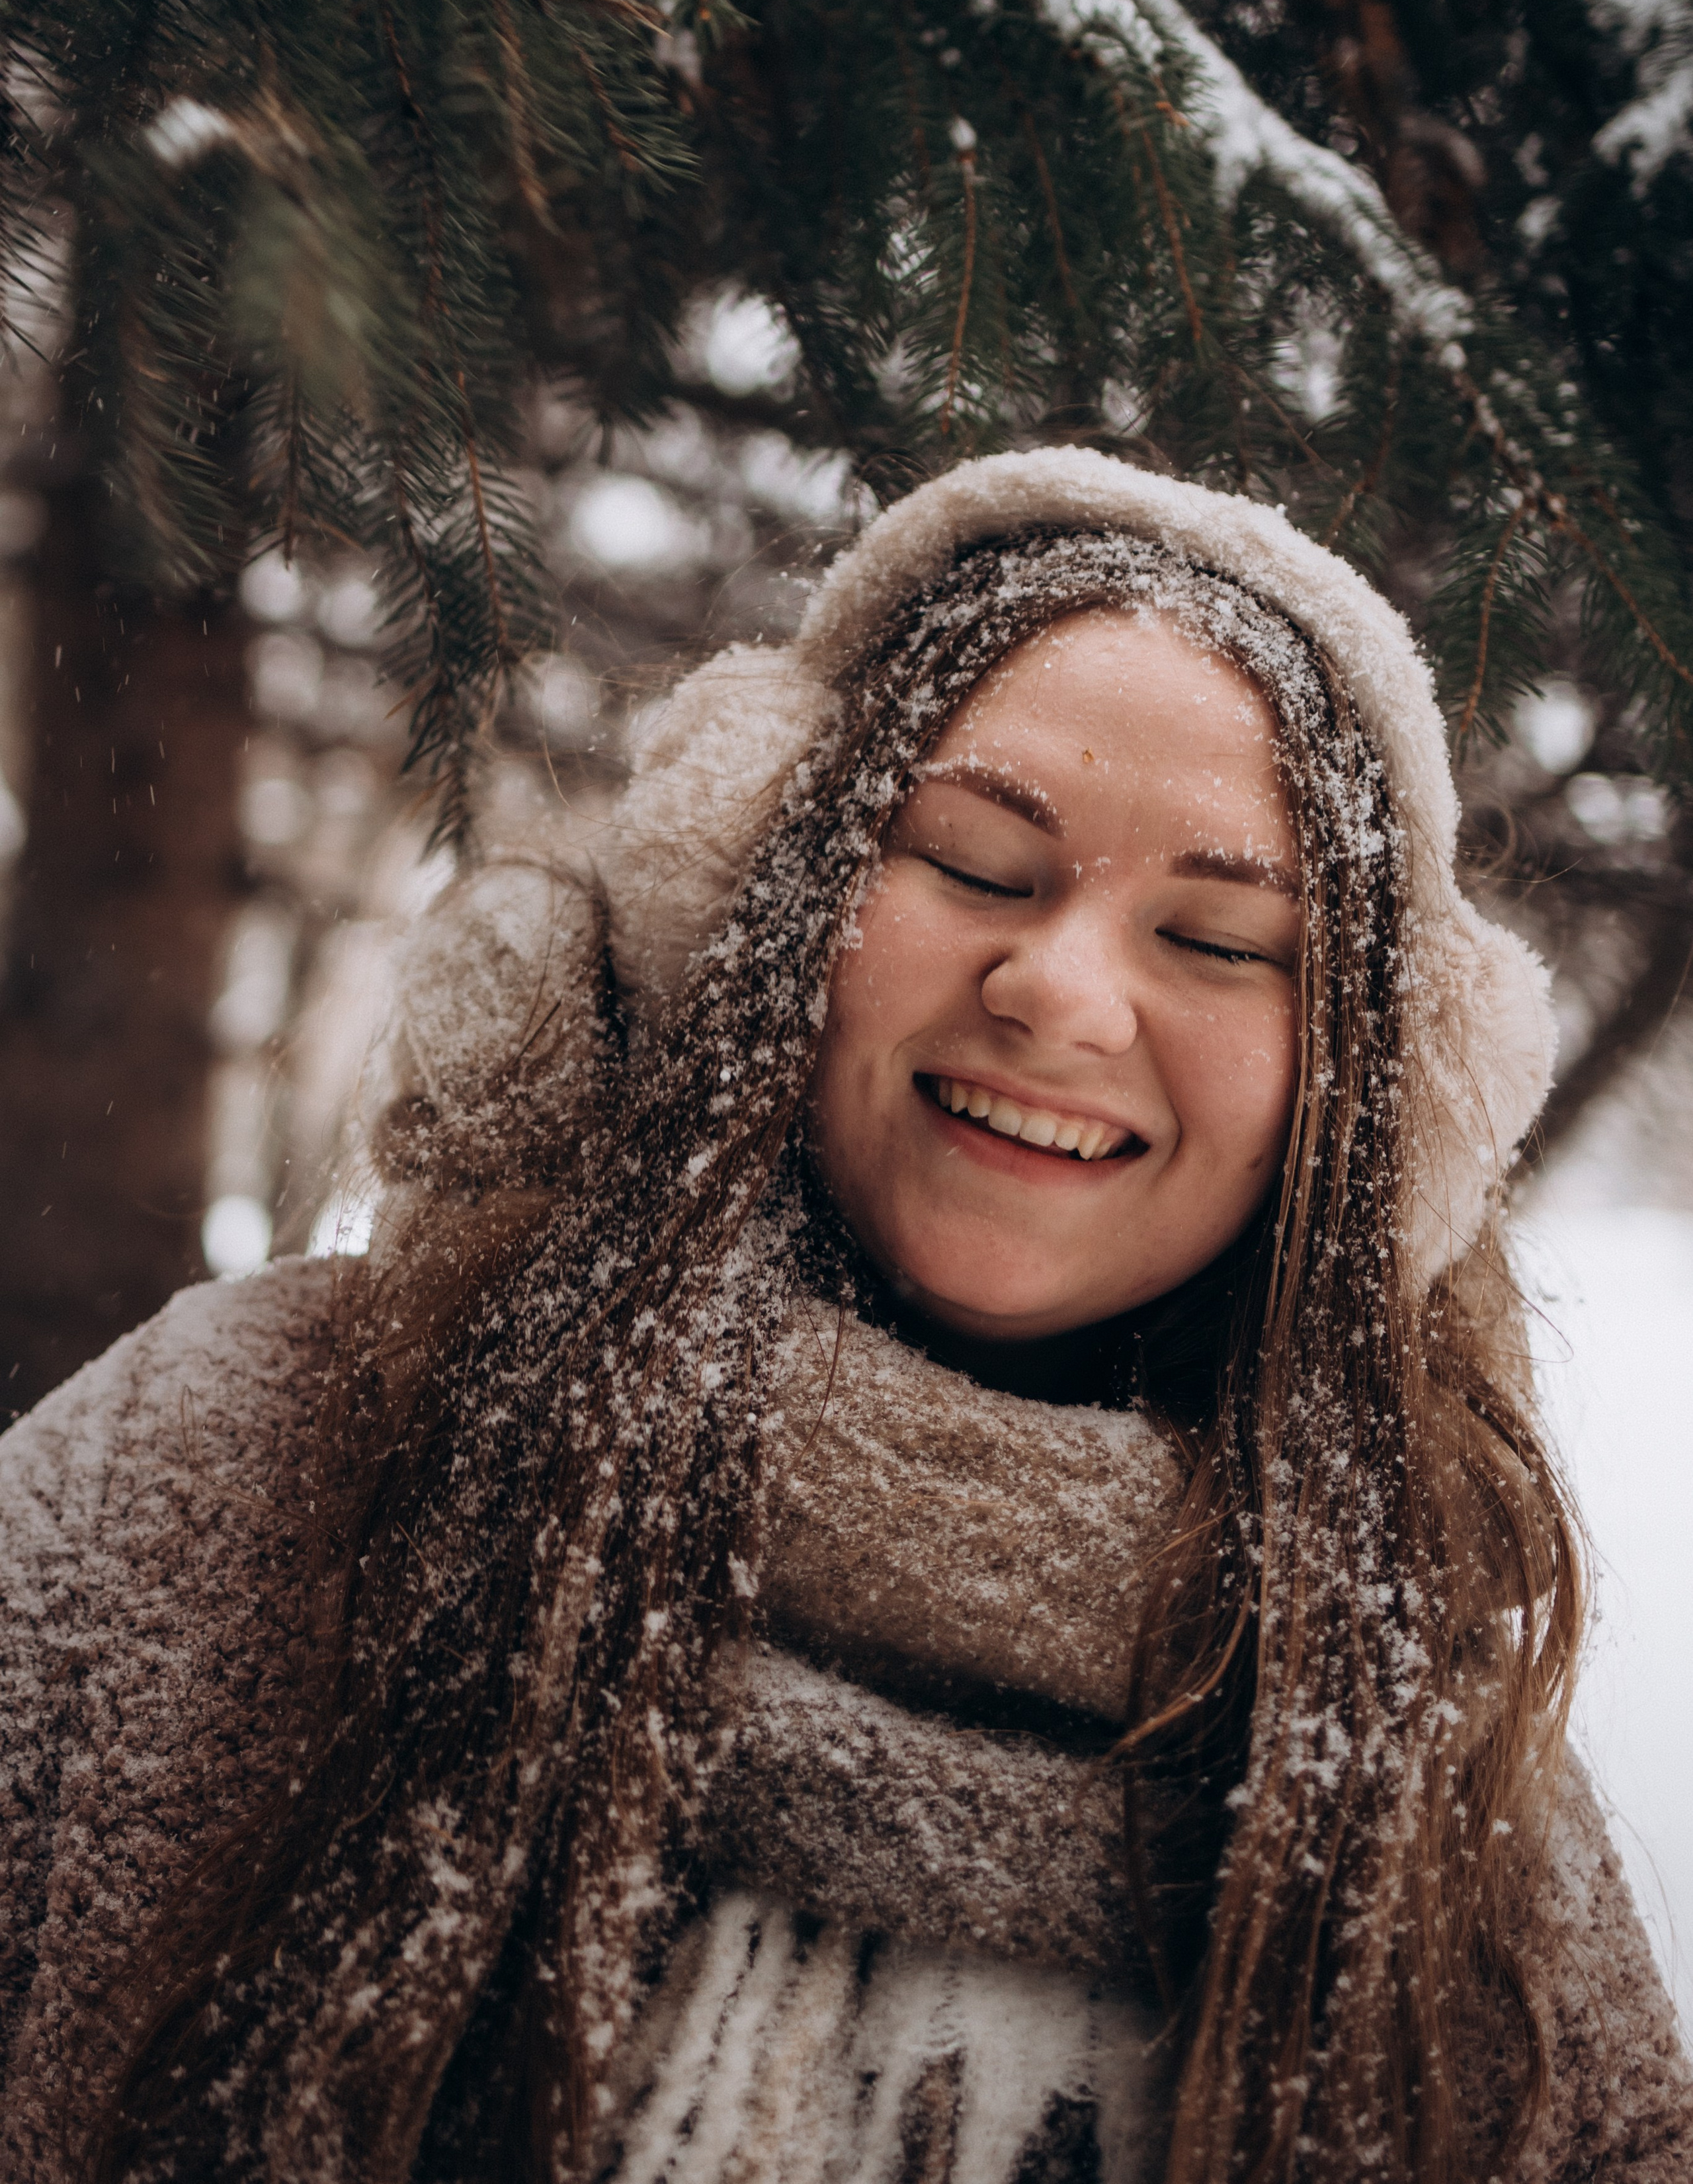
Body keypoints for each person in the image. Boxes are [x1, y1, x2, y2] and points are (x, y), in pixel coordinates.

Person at [1, 450, 1688, 2184]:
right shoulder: (233, 1465)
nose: (1060, 991)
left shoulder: (1456, 1828)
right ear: (763, 894)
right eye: (974, 861)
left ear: (1357, 1101)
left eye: (1215, 937)